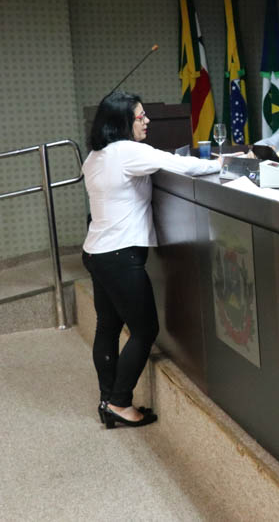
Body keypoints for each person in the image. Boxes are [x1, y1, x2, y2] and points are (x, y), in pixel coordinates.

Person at [82, 91, 221, 428]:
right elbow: (180, 164)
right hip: (120, 255)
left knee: (107, 326)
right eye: (140, 116)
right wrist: (222, 164)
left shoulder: (96, 155)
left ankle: (107, 399)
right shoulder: (128, 151)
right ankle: (119, 403)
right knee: (145, 330)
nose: (147, 121)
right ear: (122, 122)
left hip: (96, 252)